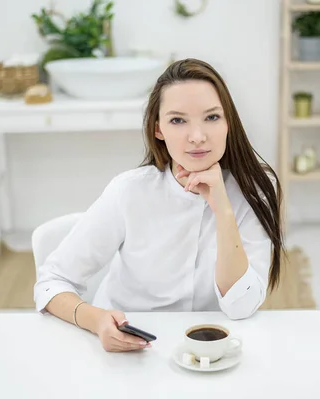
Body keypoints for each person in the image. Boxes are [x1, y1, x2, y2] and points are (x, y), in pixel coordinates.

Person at [33, 58, 285, 352]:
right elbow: (52, 281)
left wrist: (223, 209)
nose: (197, 136)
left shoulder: (254, 192)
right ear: (158, 129)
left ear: (229, 121)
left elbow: (241, 306)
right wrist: (96, 319)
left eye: (212, 117)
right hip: (128, 351)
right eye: (178, 120)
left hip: (207, 351)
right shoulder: (129, 191)